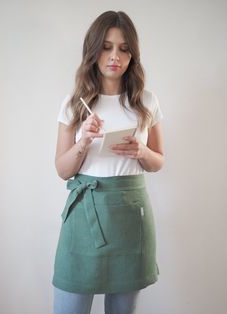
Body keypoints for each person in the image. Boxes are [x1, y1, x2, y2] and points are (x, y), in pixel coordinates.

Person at [52, 10, 164, 314]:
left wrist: (141, 151)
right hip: (83, 214)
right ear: (94, 49)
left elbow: (158, 162)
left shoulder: (146, 102)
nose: (115, 55)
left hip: (131, 216)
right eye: (107, 46)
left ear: (132, 55)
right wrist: (84, 141)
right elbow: (63, 170)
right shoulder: (73, 103)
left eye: (124, 48)